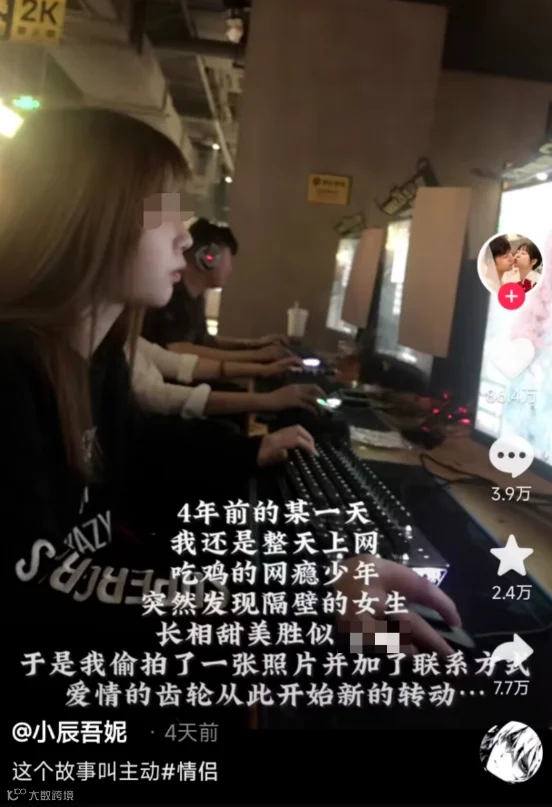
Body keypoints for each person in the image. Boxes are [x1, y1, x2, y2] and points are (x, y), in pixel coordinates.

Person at [0, 109, 461, 728]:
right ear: (90, 219)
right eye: (163, 212)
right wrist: (306, 596)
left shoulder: (93, 358)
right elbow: (43, 591)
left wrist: (255, 464)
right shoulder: (9, 371)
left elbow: (139, 450)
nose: (185, 239)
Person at [142, 217, 290, 363]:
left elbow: (203, 341)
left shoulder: (195, 296)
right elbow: (180, 349)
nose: (230, 269)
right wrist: (256, 356)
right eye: (229, 259)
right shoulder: (171, 294)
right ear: (208, 257)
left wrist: (254, 345)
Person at [133, 336, 326, 418]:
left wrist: (263, 369)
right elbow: (157, 396)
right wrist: (268, 400)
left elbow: (181, 363)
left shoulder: (131, 338)